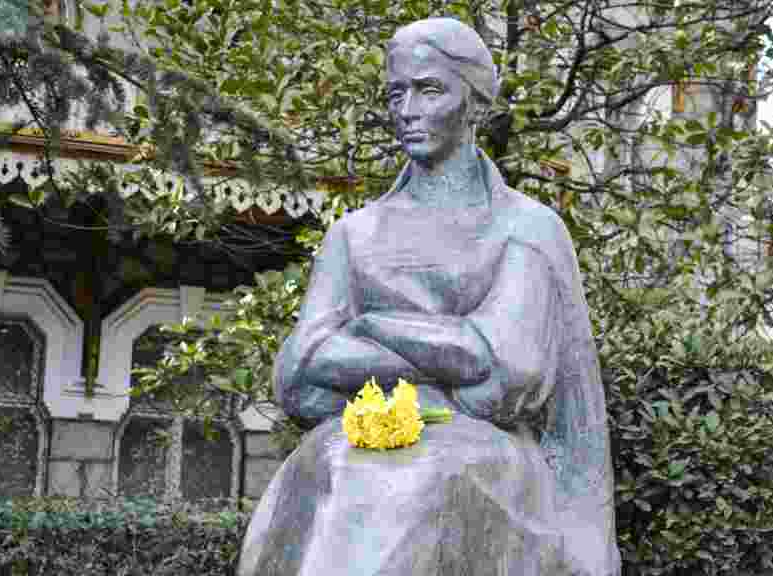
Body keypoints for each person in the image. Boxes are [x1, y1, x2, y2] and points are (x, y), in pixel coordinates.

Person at [238, 17, 620, 576]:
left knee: (417, 478)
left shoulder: (526, 228)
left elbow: (506, 377)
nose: (408, 110)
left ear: (474, 102)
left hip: (481, 460)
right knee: (329, 471)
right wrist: (456, 352)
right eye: (397, 94)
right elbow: (301, 376)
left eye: (429, 90)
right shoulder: (355, 234)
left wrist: (371, 327)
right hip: (352, 443)